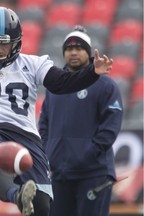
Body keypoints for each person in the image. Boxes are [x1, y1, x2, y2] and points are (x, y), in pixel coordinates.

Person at [0, 7, 114, 216]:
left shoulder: (32, 64)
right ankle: (17, 195)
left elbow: (62, 83)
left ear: (16, 41)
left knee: (43, 205)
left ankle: (24, 197)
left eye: (5, 43)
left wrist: (92, 73)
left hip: (27, 136)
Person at [38, 25, 123, 216]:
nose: (73, 53)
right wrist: (49, 152)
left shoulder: (105, 85)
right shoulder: (54, 87)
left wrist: (87, 153)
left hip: (93, 174)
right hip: (59, 174)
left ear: (89, 52)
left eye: (79, 48)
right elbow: (44, 124)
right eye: (69, 49)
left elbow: (111, 125)